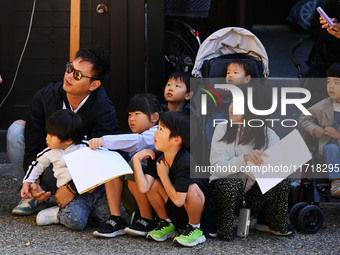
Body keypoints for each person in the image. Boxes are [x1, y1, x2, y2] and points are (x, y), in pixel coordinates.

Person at [8, 46, 119, 216]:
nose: (69, 76)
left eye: (78, 75)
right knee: (16, 130)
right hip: (47, 165)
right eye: (70, 68)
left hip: (81, 177)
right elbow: (33, 145)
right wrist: (33, 181)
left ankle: (69, 201)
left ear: (94, 84)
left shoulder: (103, 108)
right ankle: (31, 195)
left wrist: (72, 188)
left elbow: (105, 157)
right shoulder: (44, 97)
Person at [209, 85, 293, 240]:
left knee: (282, 180)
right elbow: (218, 169)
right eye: (232, 101)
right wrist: (245, 159)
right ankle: (222, 225)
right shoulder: (222, 129)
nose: (232, 107)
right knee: (230, 182)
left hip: (253, 197)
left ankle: (271, 223)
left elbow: (276, 171)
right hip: (225, 194)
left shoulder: (269, 135)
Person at [132, 111, 214, 247]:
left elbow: (179, 201)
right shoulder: (157, 157)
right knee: (152, 185)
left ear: (176, 139)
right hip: (176, 210)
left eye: (161, 129)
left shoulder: (185, 162)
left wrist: (164, 176)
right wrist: (136, 159)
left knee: (192, 189)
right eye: (157, 128)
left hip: (197, 212)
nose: (155, 133)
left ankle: (195, 229)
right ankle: (167, 223)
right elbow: (144, 187)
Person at [21, 109, 110, 230]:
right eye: (47, 134)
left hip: (97, 192)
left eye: (51, 136)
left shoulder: (86, 147)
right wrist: (27, 182)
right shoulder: (50, 152)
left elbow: (106, 160)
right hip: (73, 197)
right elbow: (37, 165)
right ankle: (58, 213)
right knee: (76, 222)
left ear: (68, 140)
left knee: (107, 218)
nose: (47, 138)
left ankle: (84, 213)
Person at [88, 93, 162, 238]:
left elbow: (138, 141)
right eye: (129, 114)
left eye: (137, 113)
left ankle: (148, 219)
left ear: (154, 118)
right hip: (136, 196)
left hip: (157, 200)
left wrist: (103, 141)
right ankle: (116, 218)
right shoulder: (138, 134)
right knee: (113, 163)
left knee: (135, 165)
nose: (131, 119)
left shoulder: (156, 132)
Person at [300, 62, 340, 196]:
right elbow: (304, 118)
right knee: (331, 148)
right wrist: (314, 128)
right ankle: (336, 181)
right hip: (331, 149)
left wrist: (337, 134)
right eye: (329, 82)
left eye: (337, 83)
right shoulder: (324, 105)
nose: (331, 87)